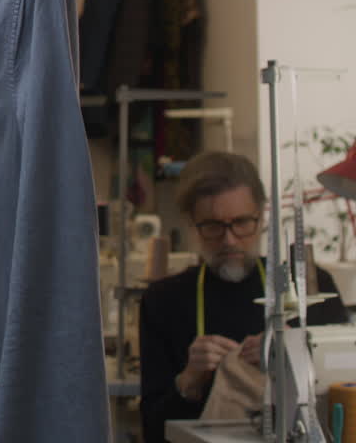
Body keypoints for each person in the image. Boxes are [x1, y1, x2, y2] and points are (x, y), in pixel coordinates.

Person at [139, 151, 348, 441]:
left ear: (261, 217)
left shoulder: (309, 288)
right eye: (213, 226)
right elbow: (152, 430)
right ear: (191, 223)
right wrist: (187, 383)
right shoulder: (164, 302)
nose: (229, 240)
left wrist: (297, 354)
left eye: (241, 222)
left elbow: (346, 395)